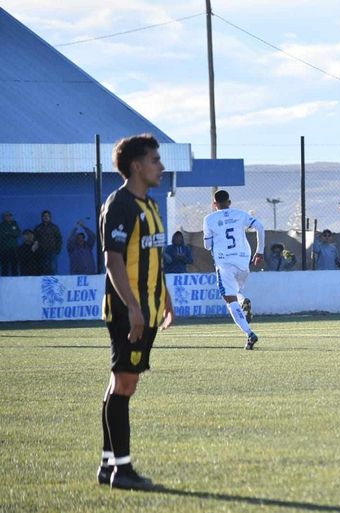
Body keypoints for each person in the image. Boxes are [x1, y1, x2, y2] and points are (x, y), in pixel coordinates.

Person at [97, 134, 174, 490]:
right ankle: (122, 471)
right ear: (136, 166)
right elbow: (113, 260)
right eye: (155, 160)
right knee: (125, 383)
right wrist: (133, 307)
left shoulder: (152, 205)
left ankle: (108, 464)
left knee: (122, 382)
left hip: (149, 307)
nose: (161, 166)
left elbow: (153, 257)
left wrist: (165, 297)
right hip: (128, 311)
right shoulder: (120, 205)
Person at [203, 189, 265, 349]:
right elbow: (260, 226)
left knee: (230, 300)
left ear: (214, 204)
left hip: (224, 263)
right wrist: (259, 252)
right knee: (236, 292)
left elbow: (207, 245)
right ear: (229, 202)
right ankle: (243, 301)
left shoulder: (209, 219)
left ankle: (249, 334)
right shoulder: (240, 214)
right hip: (243, 261)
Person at [33, 209, 62, 275]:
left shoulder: (54, 227)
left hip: (52, 251)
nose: (46, 217)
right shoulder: (38, 228)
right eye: (44, 216)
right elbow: (34, 239)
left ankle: (53, 281)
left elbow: (59, 239)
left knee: (52, 269)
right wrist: (36, 250)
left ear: (50, 217)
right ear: (42, 217)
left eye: (47, 216)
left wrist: (58, 250)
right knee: (42, 269)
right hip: (41, 252)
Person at [0, 211, 20, 276]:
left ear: (11, 216)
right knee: (5, 266)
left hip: (14, 248)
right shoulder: (1, 225)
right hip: (4, 248)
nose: (8, 217)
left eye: (9, 215)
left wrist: (8, 233)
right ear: (3, 217)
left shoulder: (15, 224)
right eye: (6, 216)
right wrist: (12, 233)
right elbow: (2, 235)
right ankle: (4, 280)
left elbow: (18, 233)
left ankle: (15, 279)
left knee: (14, 265)